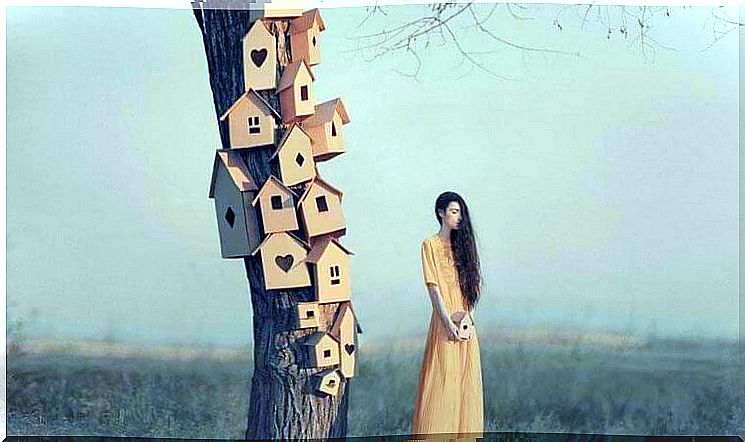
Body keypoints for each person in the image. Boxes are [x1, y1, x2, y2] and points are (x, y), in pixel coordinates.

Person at [412, 191, 484, 437]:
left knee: (464, 383)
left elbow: (472, 287)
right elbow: (433, 288)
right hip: (444, 322)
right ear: (441, 212)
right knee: (441, 382)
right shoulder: (429, 245)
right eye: (454, 211)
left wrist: (468, 318)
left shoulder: (463, 246)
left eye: (460, 212)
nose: (458, 217)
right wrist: (446, 321)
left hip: (465, 324)